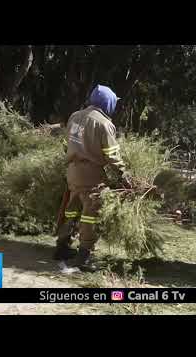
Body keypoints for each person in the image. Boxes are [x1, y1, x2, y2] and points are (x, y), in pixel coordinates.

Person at [54, 84, 131, 271]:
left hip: (72, 172)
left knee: (71, 211)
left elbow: (69, 143)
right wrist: (124, 176)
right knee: (90, 215)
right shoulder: (104, 124)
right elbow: (112, 155)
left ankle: (62, 247)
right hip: (91, 177)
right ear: (108, 103)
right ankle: (84, 256)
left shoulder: (75, 116)